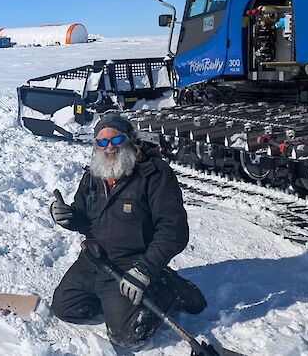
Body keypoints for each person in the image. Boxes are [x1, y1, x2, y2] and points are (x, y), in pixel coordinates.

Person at [50, 112, 206, 350]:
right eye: (101, 142)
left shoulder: (154, 174)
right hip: (96, 259)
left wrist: (145, 269)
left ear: (130, 140)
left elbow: (173, 231)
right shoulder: (93, 176)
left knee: (127, 337)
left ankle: (169, 288)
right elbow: (84, 218)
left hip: (133, 263)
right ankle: (113, 298)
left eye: (116, 140)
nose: (109, 147)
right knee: (65, 307)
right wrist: (67, 217)